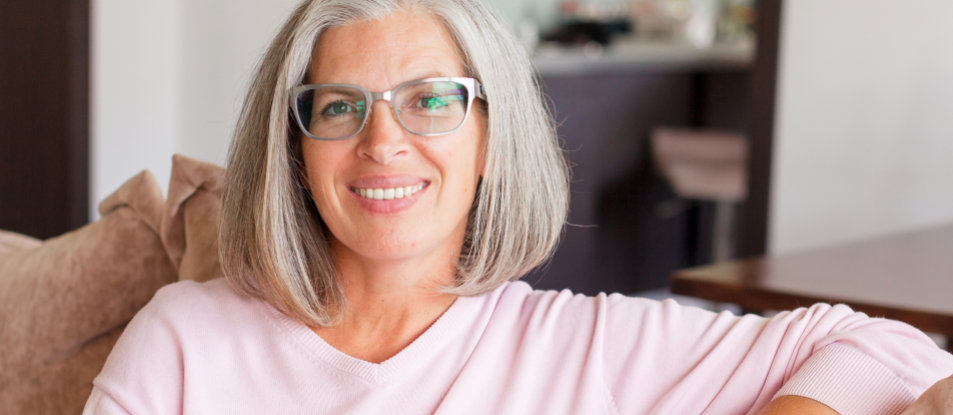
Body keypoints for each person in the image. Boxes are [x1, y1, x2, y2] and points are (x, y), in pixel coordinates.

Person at [84, 0, 953, 413]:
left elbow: (885, 349)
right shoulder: (185, 339)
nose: (381, 141)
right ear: (296, 149)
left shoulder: (585, 349)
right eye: (341, 106)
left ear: (492, 139)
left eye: (431, 101)